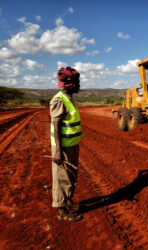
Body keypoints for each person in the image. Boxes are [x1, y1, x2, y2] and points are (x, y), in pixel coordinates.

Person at [50, 66, 84, 222]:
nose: (79, 85)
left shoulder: (70, 97)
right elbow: (56, 125)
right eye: (77, 83)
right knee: (62, 177)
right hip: (62, 147)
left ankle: (68, 201)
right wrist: (57, 150)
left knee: (70, 175)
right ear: (70, 85)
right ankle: (61, 211)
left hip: (72, 144)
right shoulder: (59, 100)